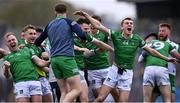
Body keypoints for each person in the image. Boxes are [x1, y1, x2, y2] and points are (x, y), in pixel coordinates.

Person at [74, 11, 178, 102]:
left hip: (127, 74)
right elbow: (99, 26)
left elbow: (152, 51)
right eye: (127, 23)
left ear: (133, 27)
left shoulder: (137, 39)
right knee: (100, 98)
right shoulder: (115, 35)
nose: (130, 25)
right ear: (122, 27)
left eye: (131, 23)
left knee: (122, 101)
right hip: (114, 71)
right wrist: (86, 15)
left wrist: (167, 58)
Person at [34, 4, 113, 102]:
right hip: (67, 59)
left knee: (64, 92)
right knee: (77, 89)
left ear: (55, 12)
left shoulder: (49, 24)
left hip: (54, 60)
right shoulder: (70, 22)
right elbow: (82, 35)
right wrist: (82, 38)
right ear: (66, 12)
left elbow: (37, 42)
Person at [3, 32, 50, 102]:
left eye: (13, 39)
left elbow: (40, 63)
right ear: (6, 44)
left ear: (17, 40)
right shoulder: (7, 57)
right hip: (21, 83)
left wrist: (51, 61)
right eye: (9, 41)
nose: (12, 41)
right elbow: (7, 76)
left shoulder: (27, 50)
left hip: (34, 81)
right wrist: (6, 68)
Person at [142, 23, 180, 102]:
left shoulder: (175, 46)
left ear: (169, 32)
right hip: (155, 73)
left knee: (171, 100)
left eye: (163, 31)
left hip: (170, 75)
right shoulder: (153, 44)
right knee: (150, 100)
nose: (161, 33)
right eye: (160, 31)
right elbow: (143, 59)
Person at [22, 25, 53, 102]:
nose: (33, 36)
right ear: (24, 36)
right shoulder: (22, 46)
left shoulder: (38, 47)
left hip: (42, 78)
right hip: (28, 79)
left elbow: (42, 64)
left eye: (34, 34)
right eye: (30, 34)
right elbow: (40, 64)